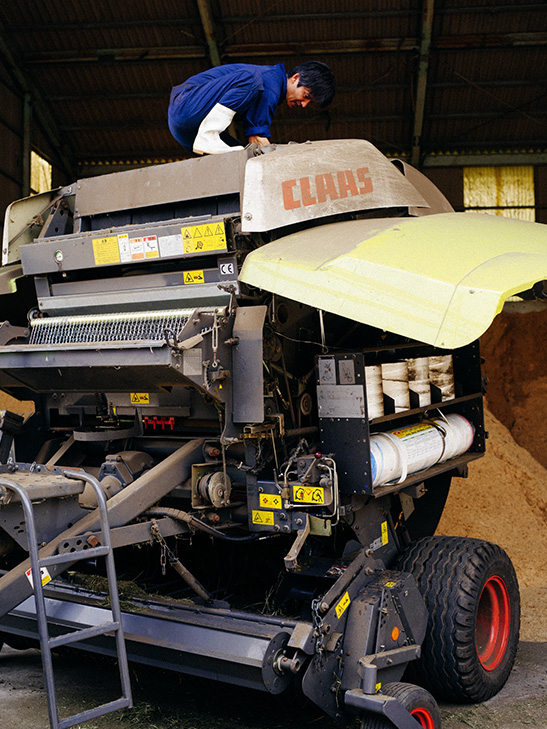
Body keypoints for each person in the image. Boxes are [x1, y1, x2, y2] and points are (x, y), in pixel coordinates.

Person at [168, 61, 335, 155]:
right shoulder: (270, 81)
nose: (304, 105)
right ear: (295, 78)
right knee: (251, 79)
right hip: (186, 105)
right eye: (306, 96)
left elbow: (256, 140)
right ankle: (208, 135)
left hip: (188, 133)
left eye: (309, 103)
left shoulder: (269, 90)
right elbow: (258, 138)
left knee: (241, 158)